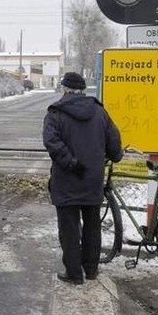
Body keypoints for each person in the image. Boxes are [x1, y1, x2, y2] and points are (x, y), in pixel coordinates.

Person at [42, 72, 122, 285]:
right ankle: (91, 269)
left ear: (65, 89)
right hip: (92, 179)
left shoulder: (55, 113)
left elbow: (52, 142)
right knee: (92, 226)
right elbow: (114, 140)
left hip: (66, 180)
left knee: (68, 229)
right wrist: (115, 155)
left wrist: (71, 163)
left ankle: (74, 274)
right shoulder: (99, 111)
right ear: (83, 90)